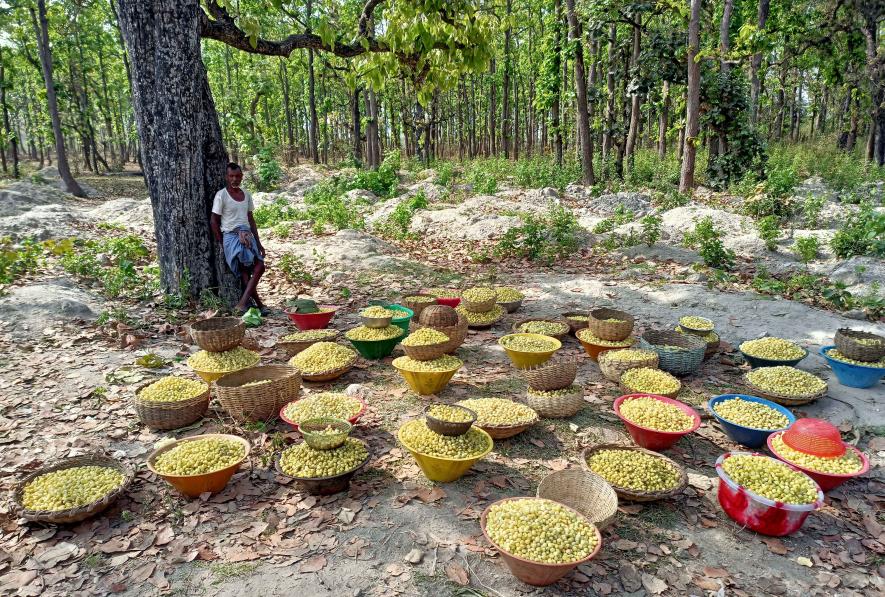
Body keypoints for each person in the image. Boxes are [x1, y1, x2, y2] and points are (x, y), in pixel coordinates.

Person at [211, 162, 269, 315]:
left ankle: (244, 303)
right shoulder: (221, 195)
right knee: (245, 271)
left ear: (242, 177)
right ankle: (257, 305)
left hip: (248, 235)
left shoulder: (246, 194)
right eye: (231, 176)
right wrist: (222, 243)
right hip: (231, 236)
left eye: (237, 176)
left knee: (258, 267)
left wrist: (259, 242)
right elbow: (214, 221)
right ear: (226, 177)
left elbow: (251, 219)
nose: (234, 179)